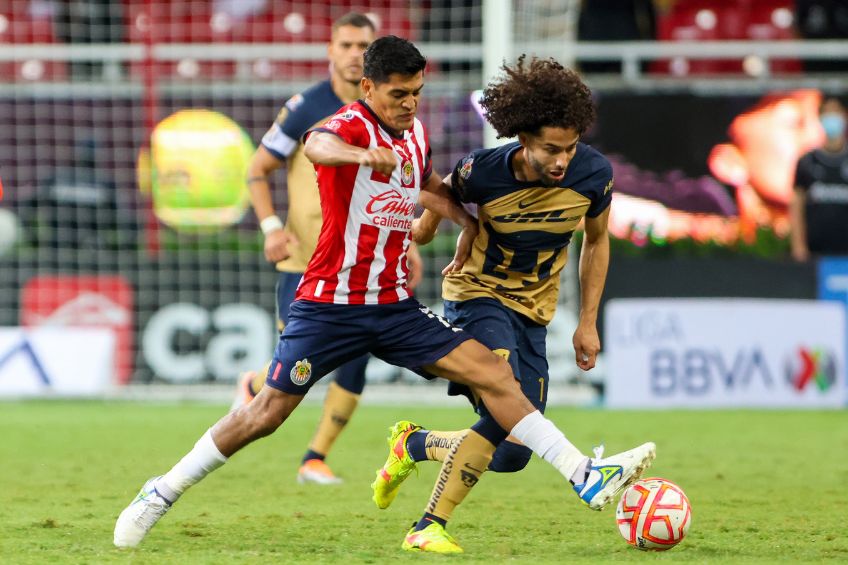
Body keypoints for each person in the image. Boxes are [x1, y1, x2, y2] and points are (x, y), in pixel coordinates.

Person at [113, 36, 655, 549]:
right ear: (369, 88)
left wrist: (463, 218)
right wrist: (359, 158)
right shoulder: (348, 126)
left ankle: (583, 474)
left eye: (416, 92)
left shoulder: (414, 134)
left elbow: (427, 186)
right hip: (330, 305)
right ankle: (160, 490)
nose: (409, 104)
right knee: (266, 414)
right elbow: (318, 146)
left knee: (494, 375)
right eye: (398, 94)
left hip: (394, 306)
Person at [371, 56, 645, 554]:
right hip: (478, 297)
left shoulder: (593, 175)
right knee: (505, 402)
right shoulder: (484, 171)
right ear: (522, 138)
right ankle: (428, 525)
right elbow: (438, 194)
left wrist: (587, 322)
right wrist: (433, 232)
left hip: (534, 312)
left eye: (569, 148)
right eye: (550, 149)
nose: (562, 160)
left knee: (515, 448)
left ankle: (414, 444)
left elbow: (597, 242)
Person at [236, 12, 422, 485]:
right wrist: (271, 227)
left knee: (355, 356)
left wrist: (408, 247)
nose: (355, 52)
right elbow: (257, 170)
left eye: (364, 44)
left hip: (366, 265)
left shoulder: (395, 114)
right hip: (307, 262)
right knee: (296, 367)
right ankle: (253, 386)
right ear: (329, 51)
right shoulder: (306, 107)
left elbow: (407, 185)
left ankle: (314, 457)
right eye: (345, 44)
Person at [791, 96, 848, 261]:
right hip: (816, 251)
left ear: (844, 116)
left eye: (836, 112)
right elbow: (797, 204)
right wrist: (799, 246)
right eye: (827, 113)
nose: (832, 118)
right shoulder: (807, 161)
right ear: (820, 118)